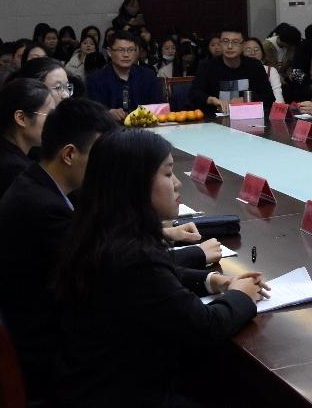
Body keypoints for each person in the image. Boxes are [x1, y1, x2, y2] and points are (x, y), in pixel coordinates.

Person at [55, 130, 267, 406]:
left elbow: (157, 280)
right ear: (134, 185)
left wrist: (212, 280)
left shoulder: (99, 233)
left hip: (91, 384)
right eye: (168, 174)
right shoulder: (134, 256)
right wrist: (241, 294)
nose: (177, 184)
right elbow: (204, 327)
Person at [0, 98, 117, 401]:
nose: (107, 168)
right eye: (102, 158)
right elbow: (106, 272)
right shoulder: (44, 208)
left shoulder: (36, 183)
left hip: (30, 329)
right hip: (45, 354)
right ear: (69, 154)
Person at [0, 78, 57, 242]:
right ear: (21, 118)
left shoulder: (0, 150)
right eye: (49, 115)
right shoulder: (11, 170)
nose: (55, 122)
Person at [189, 29, 275, 114]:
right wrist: (211, 100)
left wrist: (245, 99)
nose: (229, 46)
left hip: (248, 116)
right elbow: (194, 94)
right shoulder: (207, 66)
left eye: (235, 42)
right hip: (215, 117)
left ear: (243, 45)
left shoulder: (255, 66)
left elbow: (269, 97)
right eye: (225, 41)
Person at [86, 31, 165, 121]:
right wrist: (107, 113)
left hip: (145, 126)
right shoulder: (95, 79)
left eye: (131, 50)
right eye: (121, 50)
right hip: (110, 127)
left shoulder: (148, 75)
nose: (126, 55)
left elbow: (161, 107)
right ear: (109, 52)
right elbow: (90, 114)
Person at [243, 37, 285, 103]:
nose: (252, 53)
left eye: (256, 50)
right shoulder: (237, 70)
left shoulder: (270, 71)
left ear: (262, 53)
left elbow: (278, 97)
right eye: (248, 50)